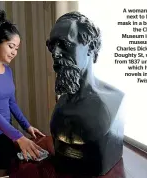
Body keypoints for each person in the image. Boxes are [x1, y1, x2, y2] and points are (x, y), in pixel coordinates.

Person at [46, 11, 125, 175]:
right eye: (52, 46)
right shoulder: (61, 105)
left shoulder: (114, 102)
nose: (55, 54)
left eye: (64, 44)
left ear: (90, 47)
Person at [0, 6, 45, 172]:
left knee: (12, 172)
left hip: (6, 134)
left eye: (17, 48)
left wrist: (27, 126)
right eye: (11, 46)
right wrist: (18, 136)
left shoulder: (8, 71)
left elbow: (11, 102)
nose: (14, 52)